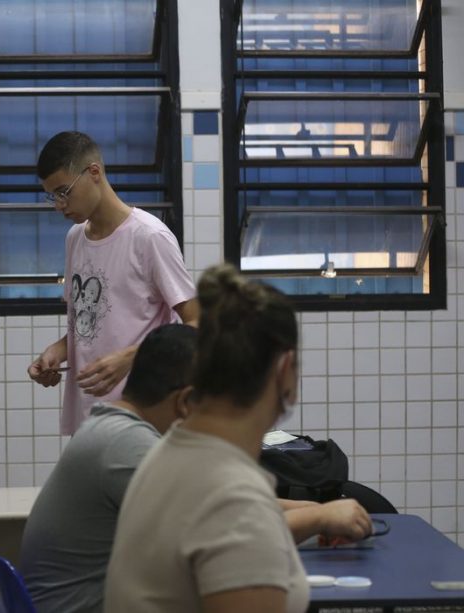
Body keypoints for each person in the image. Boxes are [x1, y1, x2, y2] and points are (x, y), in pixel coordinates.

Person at [22, 324, 371, 613]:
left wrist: (317, 508)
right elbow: (234, 530)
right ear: (186, 402)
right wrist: (320, 519)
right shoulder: (125, 446)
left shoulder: (116, 429)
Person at [105, 264, 373, 613]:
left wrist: (317, 514)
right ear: (284, 370)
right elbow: (235, 518)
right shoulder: (234, 498)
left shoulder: (167, 456)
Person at [27, 131, 199, 435]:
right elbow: (90, 324)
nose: (59, 205)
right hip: (89, 416)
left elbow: (198, 324)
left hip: (144, 416)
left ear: (94, 172)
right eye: (52, 195)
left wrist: (133, 357)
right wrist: (57, 351)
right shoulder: (75, 238)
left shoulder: (149, 237)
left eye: (64, 191)